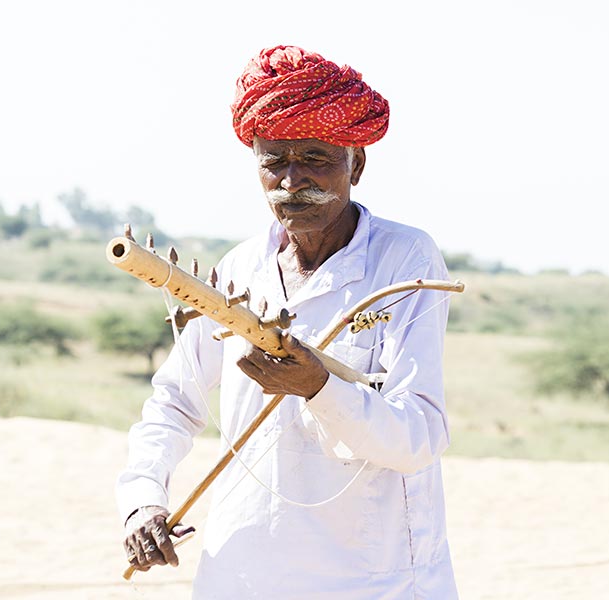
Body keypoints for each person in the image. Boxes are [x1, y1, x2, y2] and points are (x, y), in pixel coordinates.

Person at [117, 45, 459, 599]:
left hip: (374, 575)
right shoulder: (239, 267)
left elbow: (417, 437)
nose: (292, 181)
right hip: (242, 571)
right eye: (275, 160)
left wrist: (318, 388)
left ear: (357, 163)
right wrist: (142, 501)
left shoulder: (406, 261)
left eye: (316, 159)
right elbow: (173, 404)